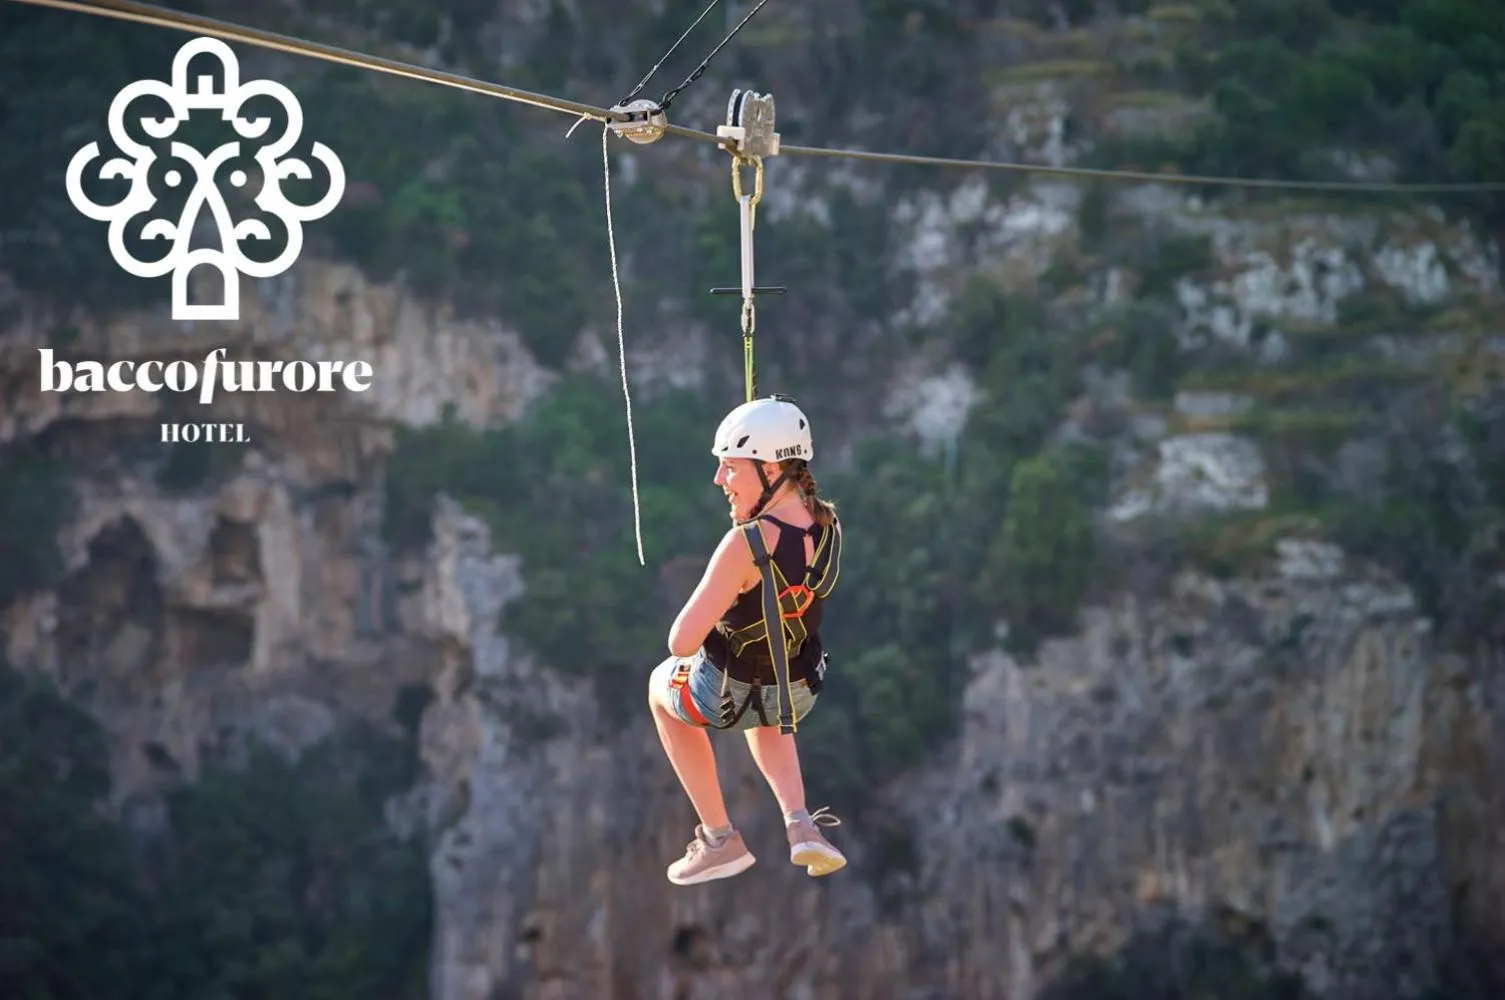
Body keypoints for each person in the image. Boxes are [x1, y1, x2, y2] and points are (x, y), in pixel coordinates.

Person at [647, 394, 847, 886]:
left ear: (770, 470)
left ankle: (719, 838)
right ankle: (800, 823)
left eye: (730, 468)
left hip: (725, 692)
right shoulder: (827, 526)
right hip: (797, 690)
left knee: (659, 686)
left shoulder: (745, 544)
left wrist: (733, 566)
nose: (720, 481)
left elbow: (682, 641)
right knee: (769, 708)